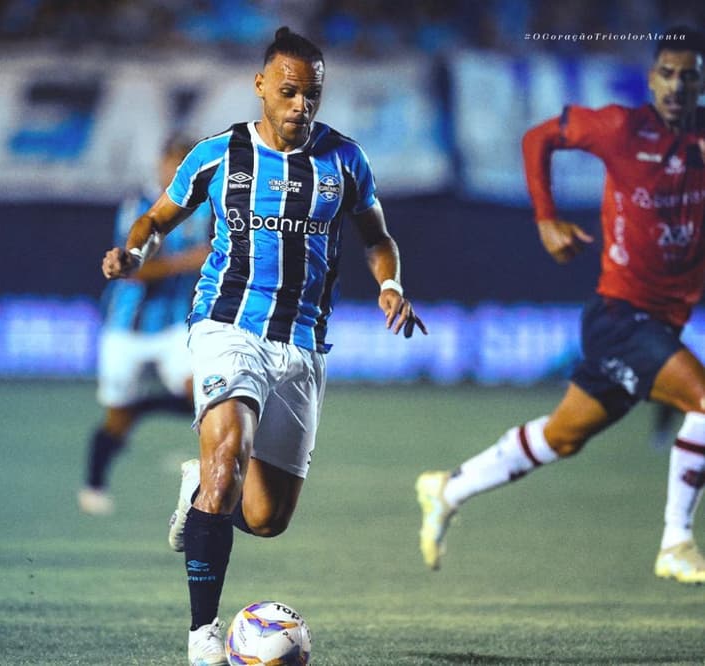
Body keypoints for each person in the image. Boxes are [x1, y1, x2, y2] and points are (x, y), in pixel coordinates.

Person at [102, 26, 425, 665]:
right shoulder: (217, 155)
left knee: (268, 518)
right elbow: (158, 217)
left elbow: (376, 236)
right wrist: (135, 251)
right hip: (227, 327)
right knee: (227, 463)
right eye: (288, 92)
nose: (301, 105)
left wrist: (390, 283)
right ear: (260, 87)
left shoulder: (346, 161)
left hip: (302, 346)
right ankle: (202, 641)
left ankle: (200, 492)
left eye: (312, 95)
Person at [417, 26, 705, 584]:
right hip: (622, 317)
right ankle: (676, 541)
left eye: (687, 75)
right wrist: (546, 217)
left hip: (662, 323)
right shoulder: (622, 127)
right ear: (651, 78)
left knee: (562, 437)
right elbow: (538, 138)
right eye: (666, 72)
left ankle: (448, 488)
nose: (675, 84)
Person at [78, 135, 211, 516]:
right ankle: (94, 483)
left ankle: (207, 476)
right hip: (126, 328)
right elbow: (134, 271)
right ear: (160, 163)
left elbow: (217, 256)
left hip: (177, 325)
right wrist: (189, 261)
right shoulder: (139, 206)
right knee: (116, 415)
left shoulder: (209, 207)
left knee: (203, 397)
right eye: (172, 162)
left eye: (185, 163)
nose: (176, 170)